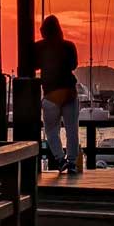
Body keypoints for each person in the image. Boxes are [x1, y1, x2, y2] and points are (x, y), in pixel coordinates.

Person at [36, 15, 80, 173]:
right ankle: (73, 162)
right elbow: (74, 65)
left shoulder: (39, 48)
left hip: (51, 95)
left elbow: (33, 65)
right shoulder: (69, 46)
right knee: (72, 129)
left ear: (43, 32)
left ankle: (60, 159)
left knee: (51, 131)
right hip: (69, 92)